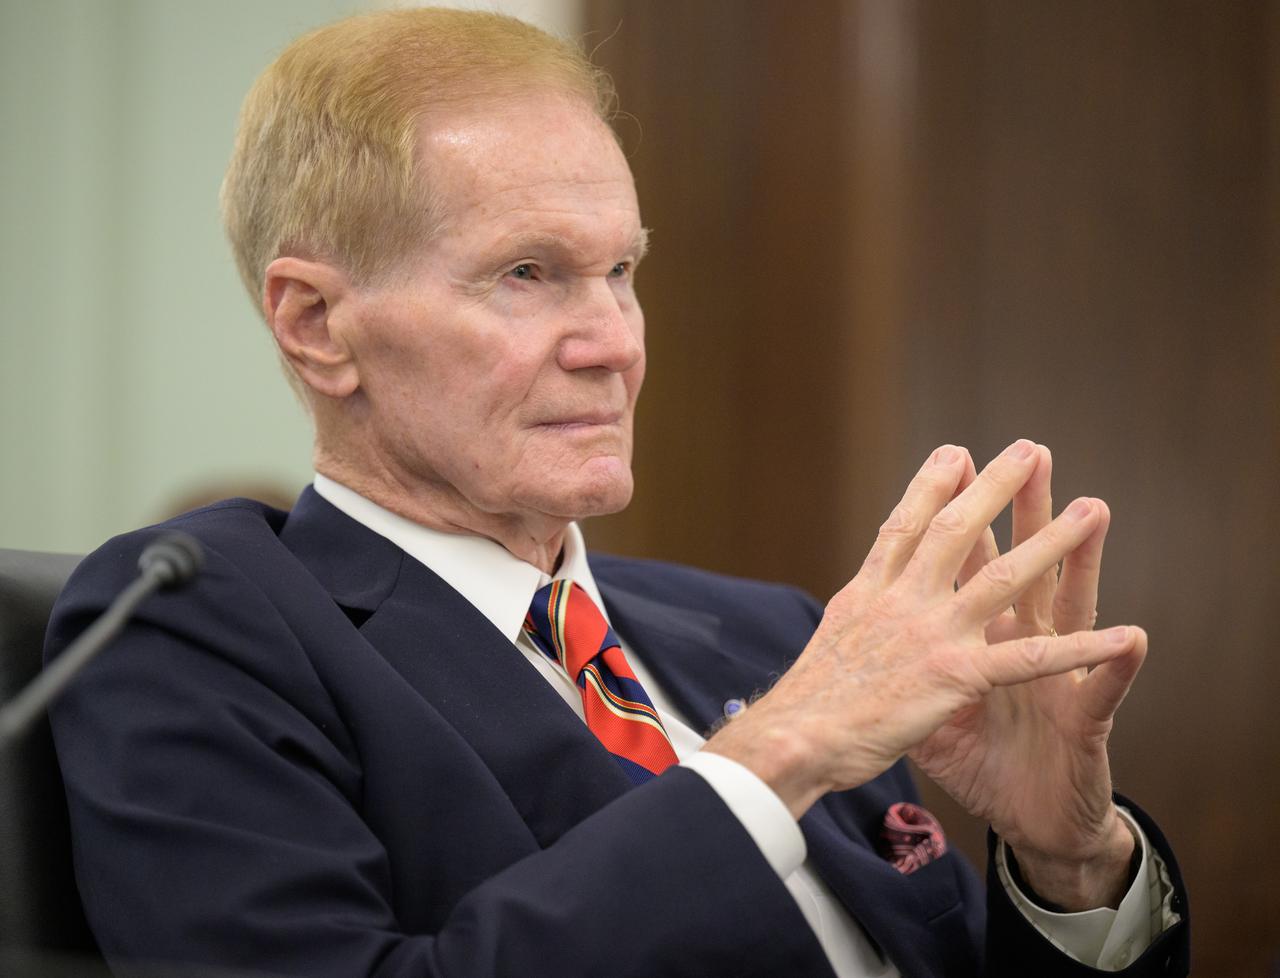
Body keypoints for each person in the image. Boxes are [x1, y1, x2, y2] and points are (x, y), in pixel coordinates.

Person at [45, 8, 1189, 977]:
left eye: (620, 271)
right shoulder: (201, 625)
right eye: (525, 273)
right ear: (317, 325)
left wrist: (1067, 865)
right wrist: (781, 749)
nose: (613, 343)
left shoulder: (773, 634)